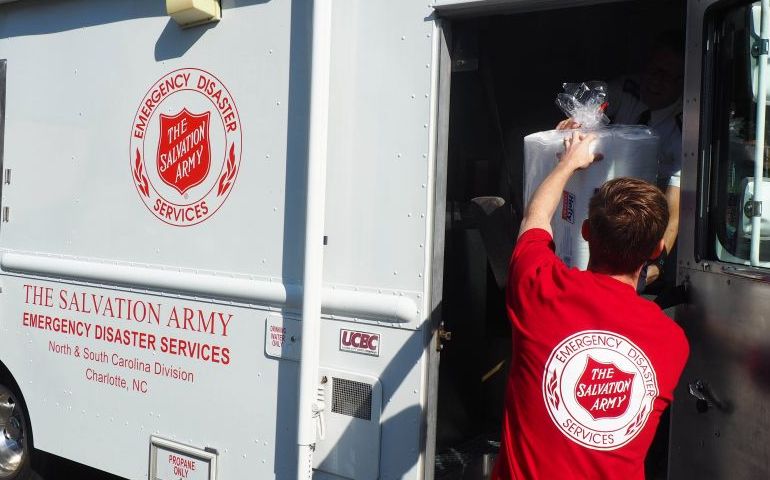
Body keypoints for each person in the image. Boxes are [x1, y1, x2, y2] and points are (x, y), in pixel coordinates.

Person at [491, 132, 689, 480]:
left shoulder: (540, 288)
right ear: (657, 249)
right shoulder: (672, 342)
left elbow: (534, 220)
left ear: (585, 231)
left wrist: (569, 162)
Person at [557, 31, 684, 287]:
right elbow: (595, 108)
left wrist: (657, 264)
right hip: (603, 204)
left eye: (668, 76)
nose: (656, 82)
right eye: (654, 71)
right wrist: (576, 124)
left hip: (643, 221)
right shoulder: (626, 88)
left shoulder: (683, 127)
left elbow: (675, 206)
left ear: (683, 82)